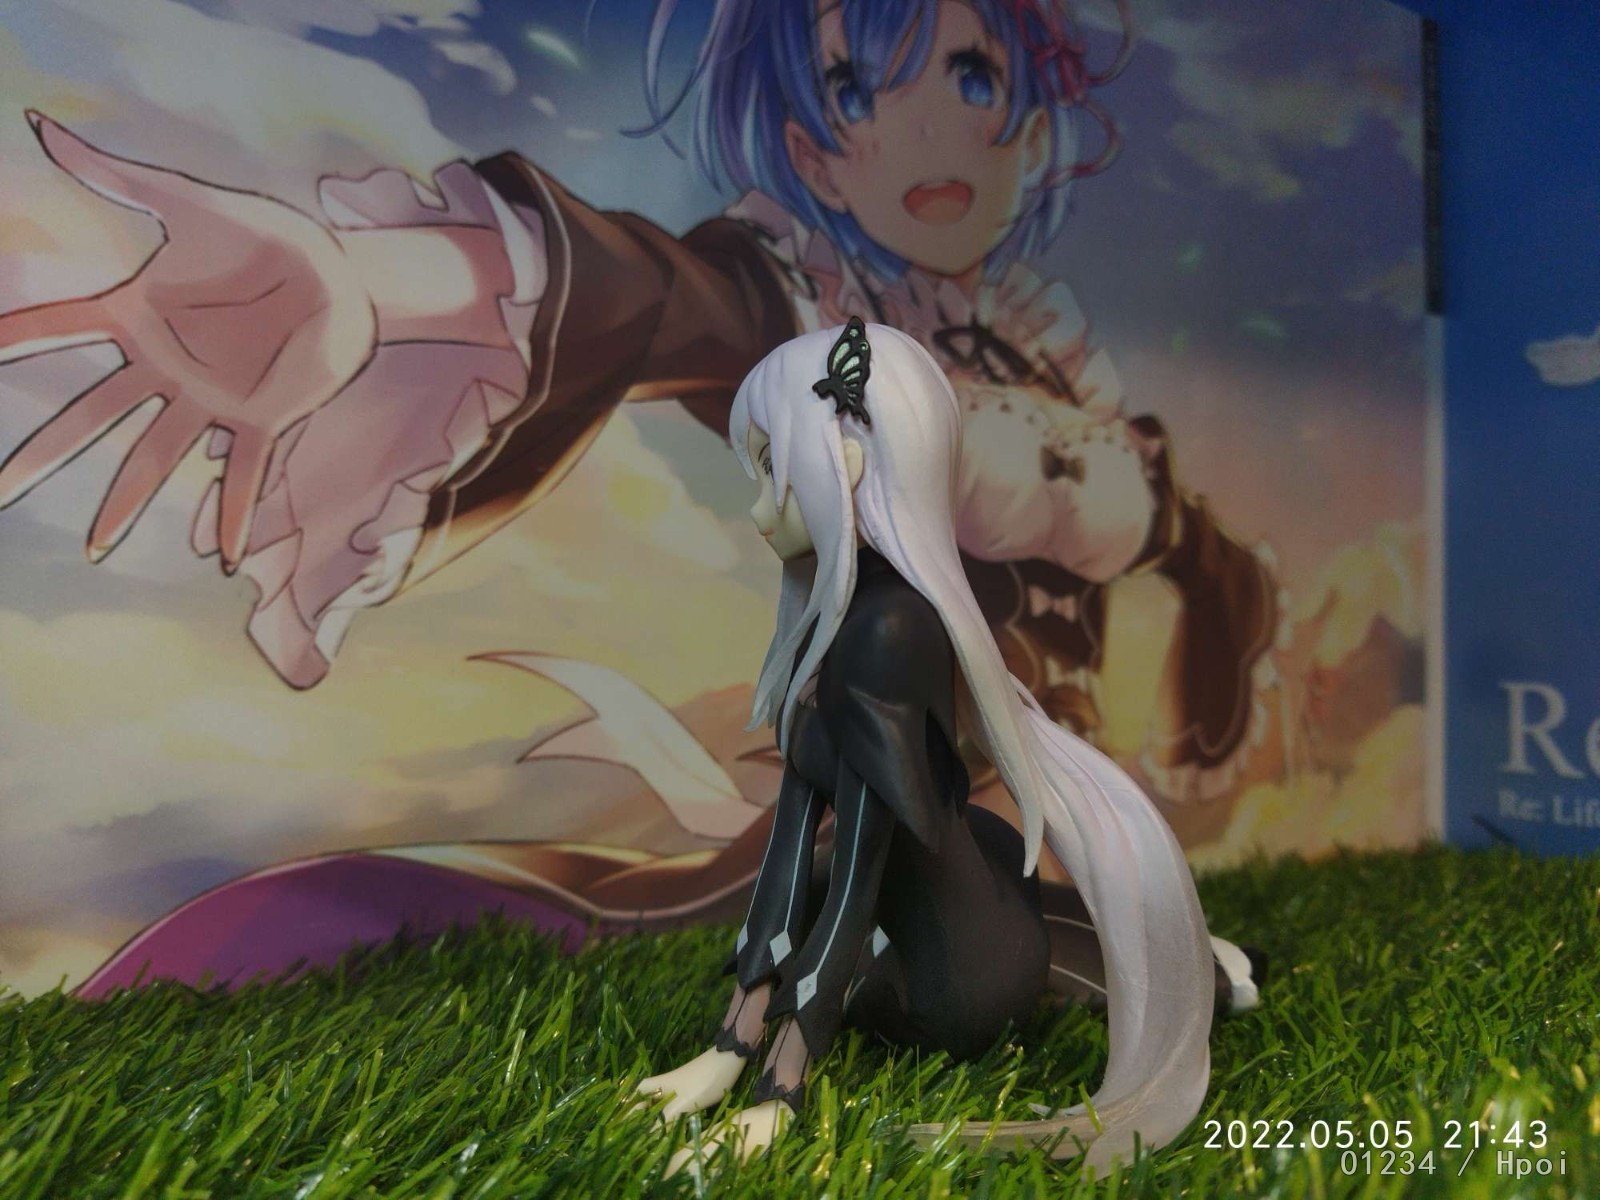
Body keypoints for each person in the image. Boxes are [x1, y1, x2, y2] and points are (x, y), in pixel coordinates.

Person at [0, 0, 1280, 797]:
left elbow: (1124, 510)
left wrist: (1203, 578)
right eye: (853, 92)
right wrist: (374, 279)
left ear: (1030, 117)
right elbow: (648, 292)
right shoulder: (800, 308)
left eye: (971, 78)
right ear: (812, 149)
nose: (927, 132)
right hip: (922, 773)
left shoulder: (1039, 356)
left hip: (1040, 763)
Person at [637, 320, 1213, 1172]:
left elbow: (864, 872)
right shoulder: (833, 623)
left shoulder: (892, 633)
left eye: (771, 470)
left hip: (954, 987)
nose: (760, 511)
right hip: (938, 905)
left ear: (849, 461)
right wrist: (727, 1046)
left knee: (850, 884)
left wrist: (776, 1091)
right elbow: (791, 848)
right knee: (816, 869)